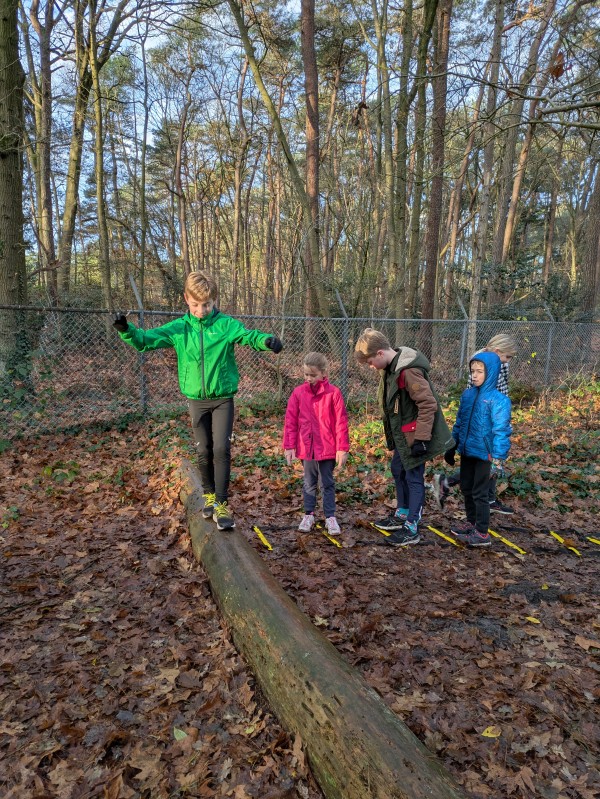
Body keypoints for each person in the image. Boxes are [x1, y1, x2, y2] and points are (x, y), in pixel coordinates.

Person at [113, 271, 283, 531]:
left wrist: (266, 341)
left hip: (222, 398)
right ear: (186, 299)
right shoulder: (179, 329)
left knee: (221, 449)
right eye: (195, 305)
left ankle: (222, 504)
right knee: (204, 450)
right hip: (196, 400)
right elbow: (145, 341)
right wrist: (126, 330)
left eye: (207, 305)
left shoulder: (225, 325)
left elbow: (248, 336)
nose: (201, 311)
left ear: (214, 301)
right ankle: (210, 497)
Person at [354, 328, 454, 547]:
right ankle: (403, 512)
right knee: (398, 469)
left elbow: (428, 404)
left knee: (413, 478)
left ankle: (412, 527)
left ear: (380, 353)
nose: (371, 367)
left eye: (370, 362)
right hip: (403, 436)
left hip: (416, 437)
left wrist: (421, 439)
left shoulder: (408, 371)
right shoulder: (390, 369)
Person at [431, 333, 517, 514]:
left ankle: (488, 499)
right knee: (482, 467)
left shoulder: (499, 364)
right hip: (483, 425)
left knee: (488, 466)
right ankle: (447, 483)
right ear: (497, 351)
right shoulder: (482, 364)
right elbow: (475, 399)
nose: (508, 361)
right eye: (507, 356)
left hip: (495, 418)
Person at [447, 351, 512, 547]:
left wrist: (498, 459)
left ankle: (482, 533)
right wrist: (452, 445)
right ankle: (472, 523)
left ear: (491, 372)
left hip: (486, 455)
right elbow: (460, 423)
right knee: (467, 488)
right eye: (472, 371)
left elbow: (501, 431)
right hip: (468, 451)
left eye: (480, 372)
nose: (474, 375)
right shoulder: (467, 395)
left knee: (480, 493)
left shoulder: (499, 400)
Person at [283, 352, 350, 535]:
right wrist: (289, 446)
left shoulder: (333, 393)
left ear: (323, 373)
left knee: (327, 482)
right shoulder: (298, 393)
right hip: (307, 447)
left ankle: (330, 517)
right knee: (309, 482)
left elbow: (341, 423)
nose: (309, 378)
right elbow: (290, 421)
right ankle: (309, 514)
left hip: (327, 447)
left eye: (313, 375)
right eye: (306, 374)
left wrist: (342, 448)